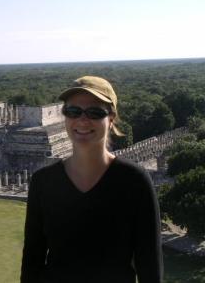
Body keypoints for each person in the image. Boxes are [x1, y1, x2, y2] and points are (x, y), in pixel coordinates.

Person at [20, 76, 163, 283]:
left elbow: (150, 267)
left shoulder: (134, 182)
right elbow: (32, 264)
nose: (82, 120)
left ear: (111, 118)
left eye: (95, 112)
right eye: (73, 111)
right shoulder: (43, 182)